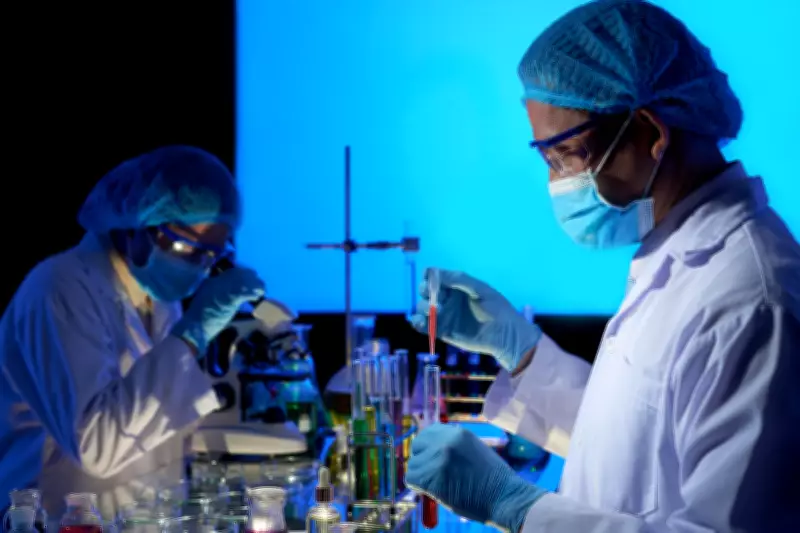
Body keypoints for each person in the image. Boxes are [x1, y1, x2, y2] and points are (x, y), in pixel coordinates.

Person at [405, 1, 800, 532]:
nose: (557, 181)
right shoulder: (678, 257)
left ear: (651, 132)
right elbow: (640, 446)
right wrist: (521, 353)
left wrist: (514, 506)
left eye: (565, 154)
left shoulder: (753, 302)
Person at [0, 146, 265, 517]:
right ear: (135, 226)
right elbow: (97, 447)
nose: (199, 268)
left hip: (140, 512)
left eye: (212, 255)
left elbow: (154, 409)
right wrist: (190, 336)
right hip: (60, 514)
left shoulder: (158, 296)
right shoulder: (60, 289)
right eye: (186, 248)